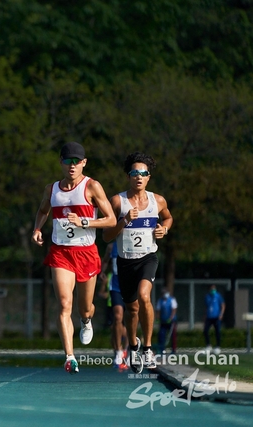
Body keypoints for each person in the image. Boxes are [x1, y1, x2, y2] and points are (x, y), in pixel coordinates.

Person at [32, 141, 116, 374]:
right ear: (61, 162)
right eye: (67, 161)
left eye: (76, 161)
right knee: (64, 303)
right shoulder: (52, 189)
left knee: (84, 308)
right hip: (61, 253)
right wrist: (37, 229)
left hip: (86, 253)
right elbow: (42, 210)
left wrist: (85, 221)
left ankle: (87, 320)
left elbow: (110, 220)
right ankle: (70, 356)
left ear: (84, 163)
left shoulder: (92, 187)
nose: (72, 165)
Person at [102, 152, 173, 374]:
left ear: (149, 177)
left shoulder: (157, 200)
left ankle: (148, 348)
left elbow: (168, 217)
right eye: (135, 173)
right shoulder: (117, 201)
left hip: (148, 258)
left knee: (145, 297)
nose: (139, 177)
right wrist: (125, 220)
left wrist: (165, 229)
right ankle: (133, 346)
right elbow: (106, 236)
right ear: (128, 176)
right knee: (132, 310)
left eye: (143, 173)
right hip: (125, 262)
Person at [98, 241, 128, 370]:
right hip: (116, 284)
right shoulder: (111, 246)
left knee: (131, 319)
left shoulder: (133, 240)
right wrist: (101, 271)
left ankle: (129, 350)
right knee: (117, 316)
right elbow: (104, 261)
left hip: (131, 284)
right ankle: (118, 351)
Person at [203, 284, 225, 355]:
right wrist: (205, 315)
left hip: (216, 317)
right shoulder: (207, 297)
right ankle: (208, 345)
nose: (213, 290)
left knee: (217, 332)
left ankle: (218, 346)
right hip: (209, 317)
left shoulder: (218, 296)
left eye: (214, 289)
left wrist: (221, 314)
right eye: (212, 289)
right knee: (205, 330)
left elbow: (223, 305)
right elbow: (206, 307)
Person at [155, 287, 178, 354]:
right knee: (161, 334)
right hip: (163, 321)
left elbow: (174, 310)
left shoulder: (172, 300)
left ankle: (173, 350)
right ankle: (161, 349)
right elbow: (158, 311)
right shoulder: (160, 301)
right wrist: (158, 318)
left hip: (171, 321)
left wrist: (171, 318)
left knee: (173, 335)